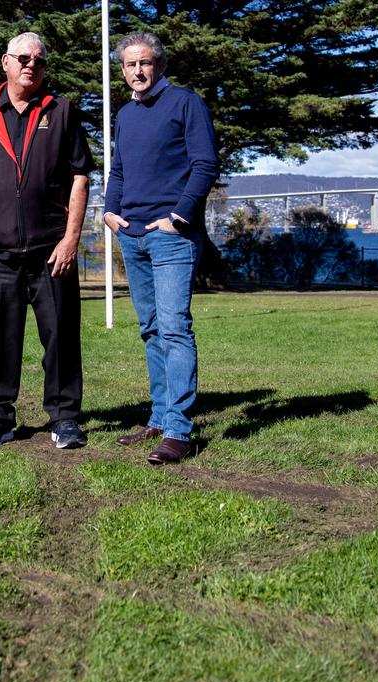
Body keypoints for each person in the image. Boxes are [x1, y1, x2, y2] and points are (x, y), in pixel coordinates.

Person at [0, 31, 94, 449]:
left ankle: (64, 418)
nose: (32, 65)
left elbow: (81, 176)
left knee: (62, 338)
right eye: (23, 58)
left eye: (40, 60)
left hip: (52, 252)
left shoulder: (62, 112)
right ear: (5, 62)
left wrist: (70, 240)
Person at [103, 32, 219, 464]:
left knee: (174, 329)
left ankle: (179, 431)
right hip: (131, 235)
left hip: (170, 236)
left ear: (160, 65)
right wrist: (110, 212)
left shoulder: (187, 103)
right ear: (123, 70)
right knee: (151, 329)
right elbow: (118, 169)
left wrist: (177, 218)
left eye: (145, 63)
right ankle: (159, 416)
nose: (138, 71)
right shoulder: (126, 115)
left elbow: (205, 164)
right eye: (130, 65)